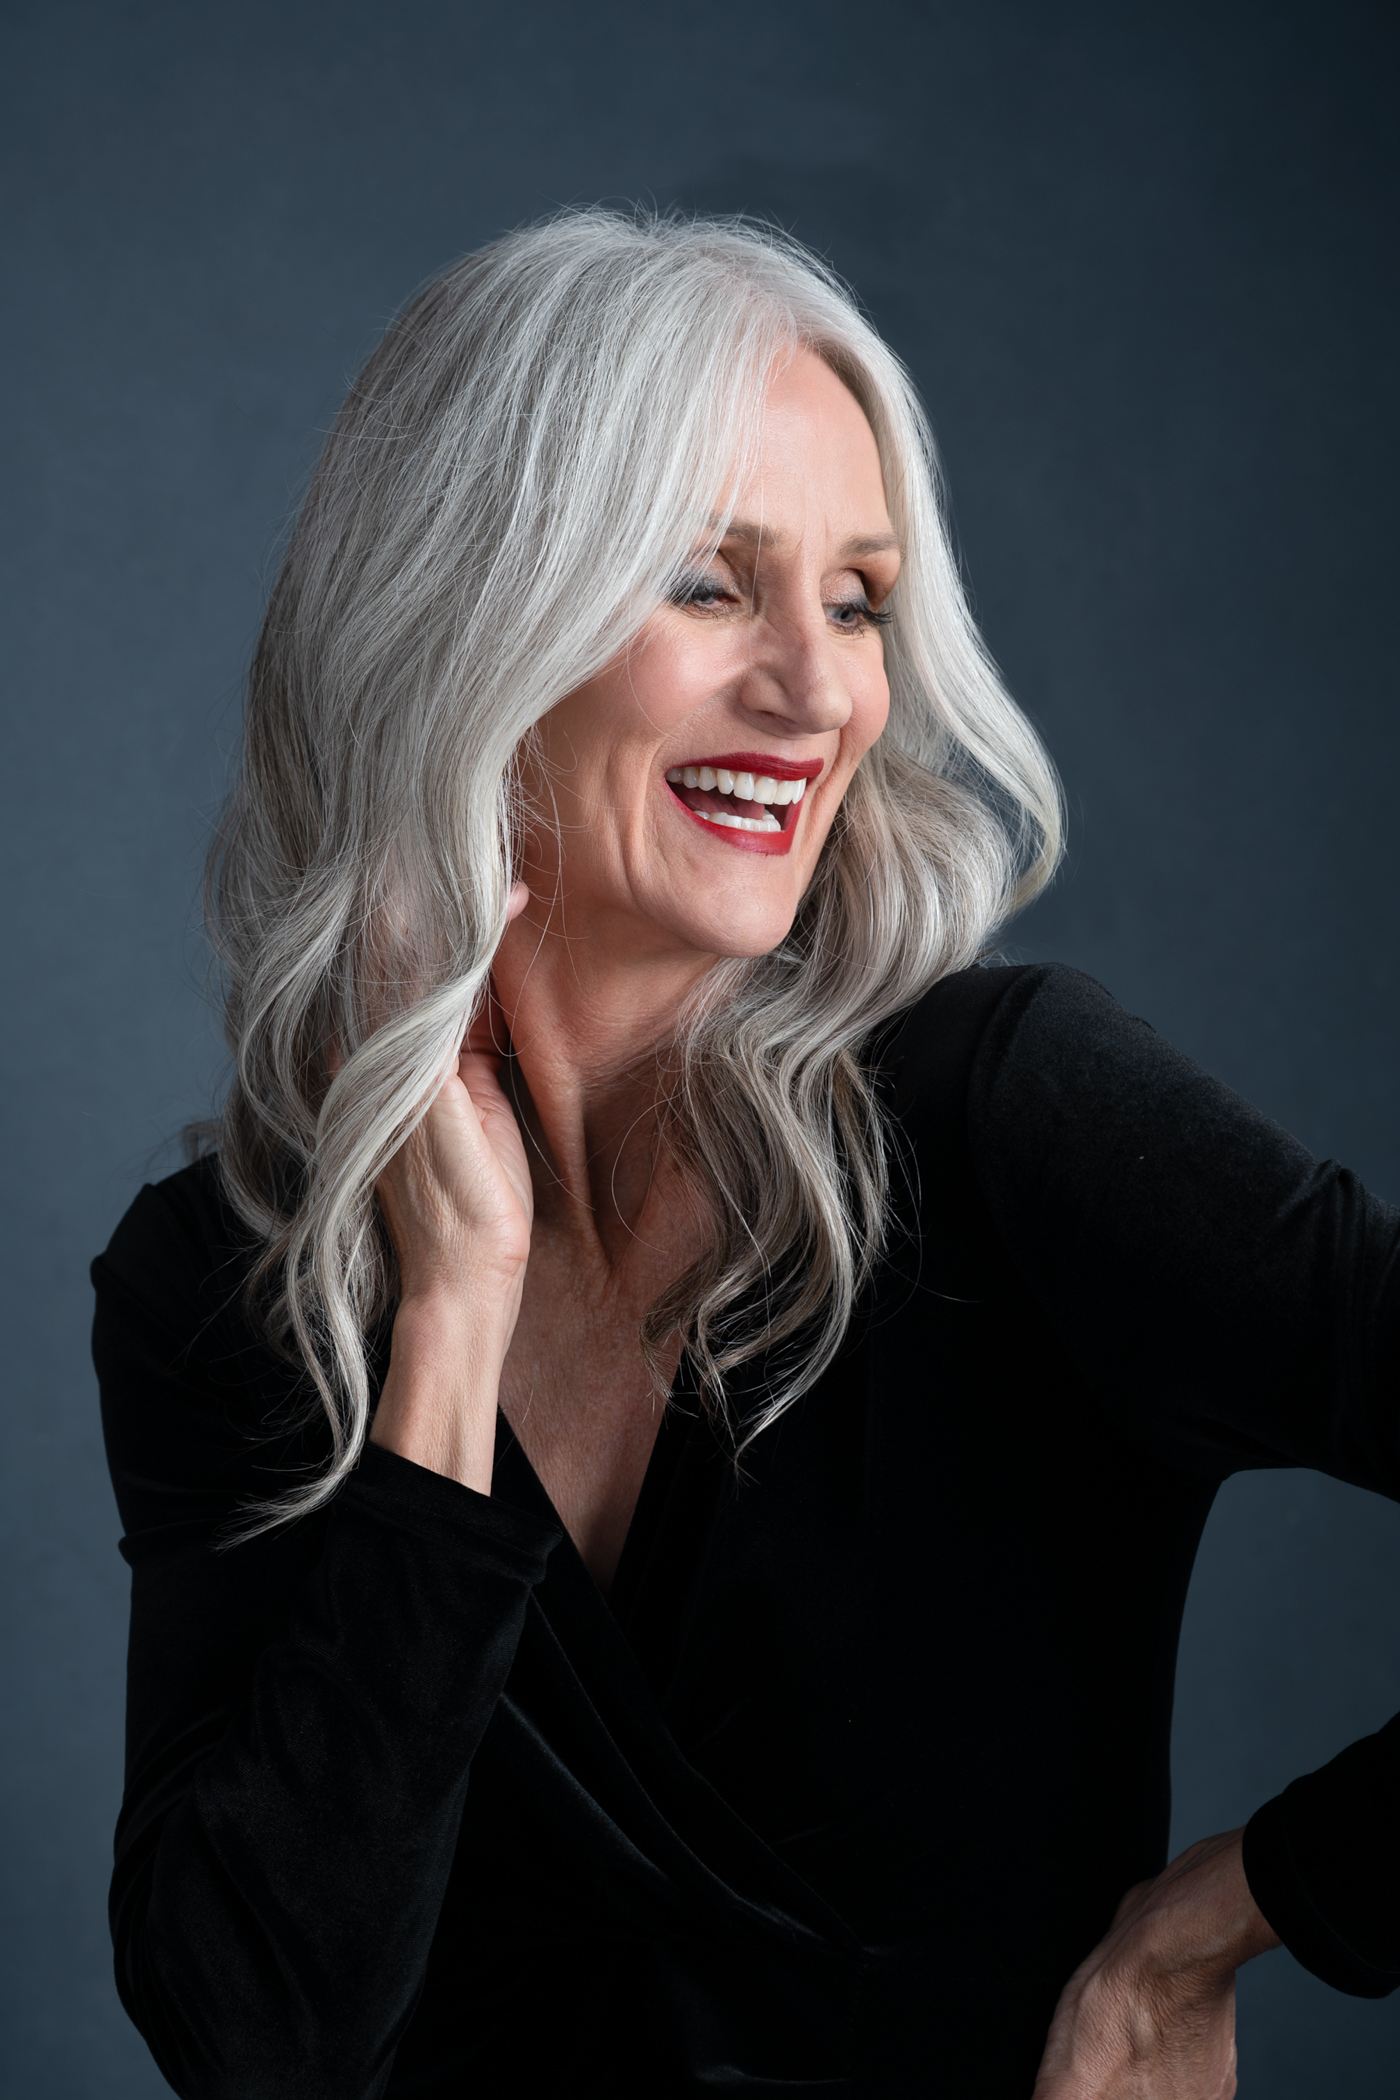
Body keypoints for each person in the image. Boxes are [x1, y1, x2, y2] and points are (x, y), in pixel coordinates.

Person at [92, 209, 1400, 2100]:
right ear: (473, 622)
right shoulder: (226, 1282)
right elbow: (256, 2044)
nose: (817, 690)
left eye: (857, 600)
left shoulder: (1002, 1115)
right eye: (711, 585)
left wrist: (1233, 1921)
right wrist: (447, 1341)